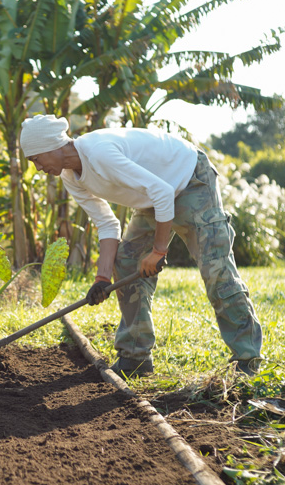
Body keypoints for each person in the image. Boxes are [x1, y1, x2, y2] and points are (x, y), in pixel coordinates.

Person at [19, 114, 262, 377]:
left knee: (216, 270)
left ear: (52, 146)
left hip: (190, 179)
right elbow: (107, 224)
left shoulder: (99, 153)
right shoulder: (70, 176)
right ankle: (135, 357)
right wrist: (102, 278)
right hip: (154, 197)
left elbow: (163, 192)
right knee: (126, 263)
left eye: (36, 159)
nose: (38, 168)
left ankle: (247, 360)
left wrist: (158, 251)